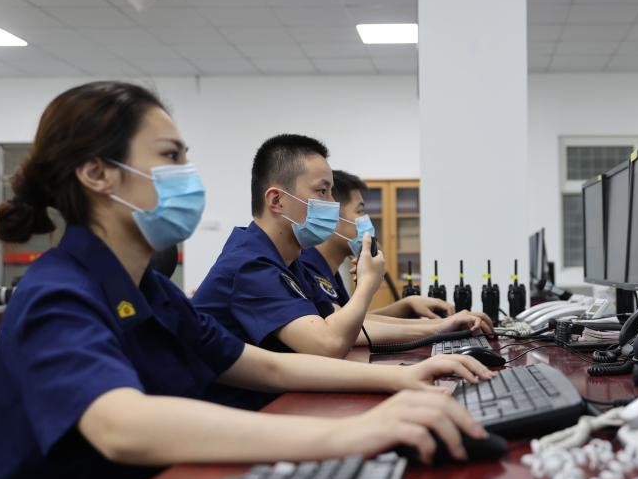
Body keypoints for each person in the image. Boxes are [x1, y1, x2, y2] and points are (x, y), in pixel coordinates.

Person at [0, 82, 492, 479]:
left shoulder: (153, 290)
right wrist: (353, 433)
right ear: (97, 173)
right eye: (170, 156)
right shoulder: (56, 293)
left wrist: (401, 378)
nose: (187, 175)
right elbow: (119, 425)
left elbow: (266, 366)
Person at [193, 136, 490, 361]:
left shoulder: (290, 262)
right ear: (276, 201)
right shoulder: (250, 264)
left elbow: (345, 326)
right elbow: (329, 343)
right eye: (322, 191)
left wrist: (440, 328)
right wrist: (369, 286)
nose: (333, 205)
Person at [300, 170, 494, 330]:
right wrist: (438, 326)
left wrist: (405, 305)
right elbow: (341, 329)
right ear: (333, 216)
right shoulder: (308, 264)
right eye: (360, 211)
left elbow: (355, 321)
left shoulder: (329, 271)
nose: (367, 220)